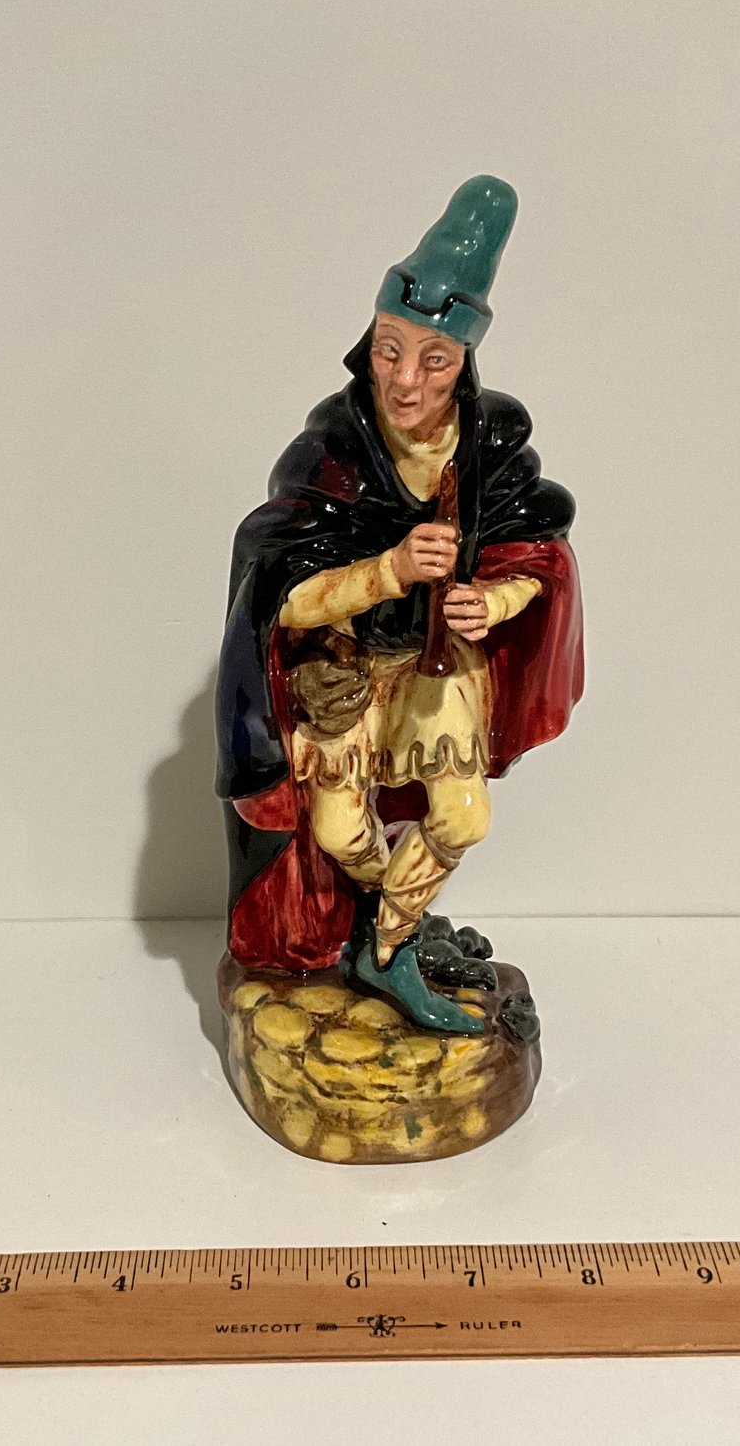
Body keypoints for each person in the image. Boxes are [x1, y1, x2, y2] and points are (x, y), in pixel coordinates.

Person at [218, 175, 584, 1032]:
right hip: (345, 672)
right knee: (342, 834)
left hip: (434, 667)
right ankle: (394, 929)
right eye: (390, 350)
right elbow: (280, 595)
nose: (406, 380)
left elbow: (538, 550)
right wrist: (386, 569)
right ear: (367, 345)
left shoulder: (492, 443)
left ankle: (386, 949)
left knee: (462, 816)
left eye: (434, 359)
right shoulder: (333, 450)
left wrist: (494, 603)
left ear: (465, 363)